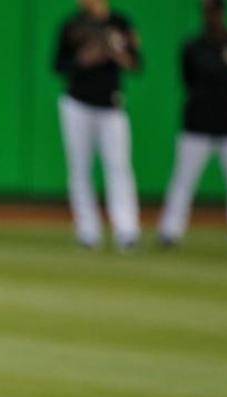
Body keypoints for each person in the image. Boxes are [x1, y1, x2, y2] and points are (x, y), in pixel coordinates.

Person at [158, 0, 227, 249]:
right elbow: (187, 80)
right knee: (183, 180)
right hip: (198, 123)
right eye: (207, 12)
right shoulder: (193, 47)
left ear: (223, 13)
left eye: (214, 11)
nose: (211, 17)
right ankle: (170, 231)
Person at [54, 0, 141, 250]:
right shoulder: (72, 25)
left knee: (118, 167)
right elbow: (58, 64)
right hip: (77, 103)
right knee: (79, 168)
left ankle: (126, 229)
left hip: (111, 105)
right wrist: (83, 59)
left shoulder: (120, 23)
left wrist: (116, 54)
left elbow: (136, 63)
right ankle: (87, 231)